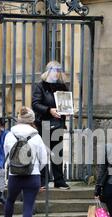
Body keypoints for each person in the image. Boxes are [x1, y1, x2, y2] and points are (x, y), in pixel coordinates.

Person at [0, 107, 48, 217]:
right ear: (32, 120)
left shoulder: (9, 135)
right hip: (33, 176)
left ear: (19, 118)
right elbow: (44, 159)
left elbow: (7, 154)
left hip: (14, 175)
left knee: (10, 199)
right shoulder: (36, 137)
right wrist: (36, 167)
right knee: (28, 206)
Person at [32, 60, 70, 190]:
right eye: (55, 70)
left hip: (58, 124)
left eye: (59, 70)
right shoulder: (40, 86)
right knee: (43, 153)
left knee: (57, 153)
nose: (57, 73)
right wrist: (49, 110)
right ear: (48, 71)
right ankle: (43, 180)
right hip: (44, 124)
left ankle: (59, 181)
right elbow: (35, 104)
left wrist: (67, 111)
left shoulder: (62, 86)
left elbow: (66, 103)